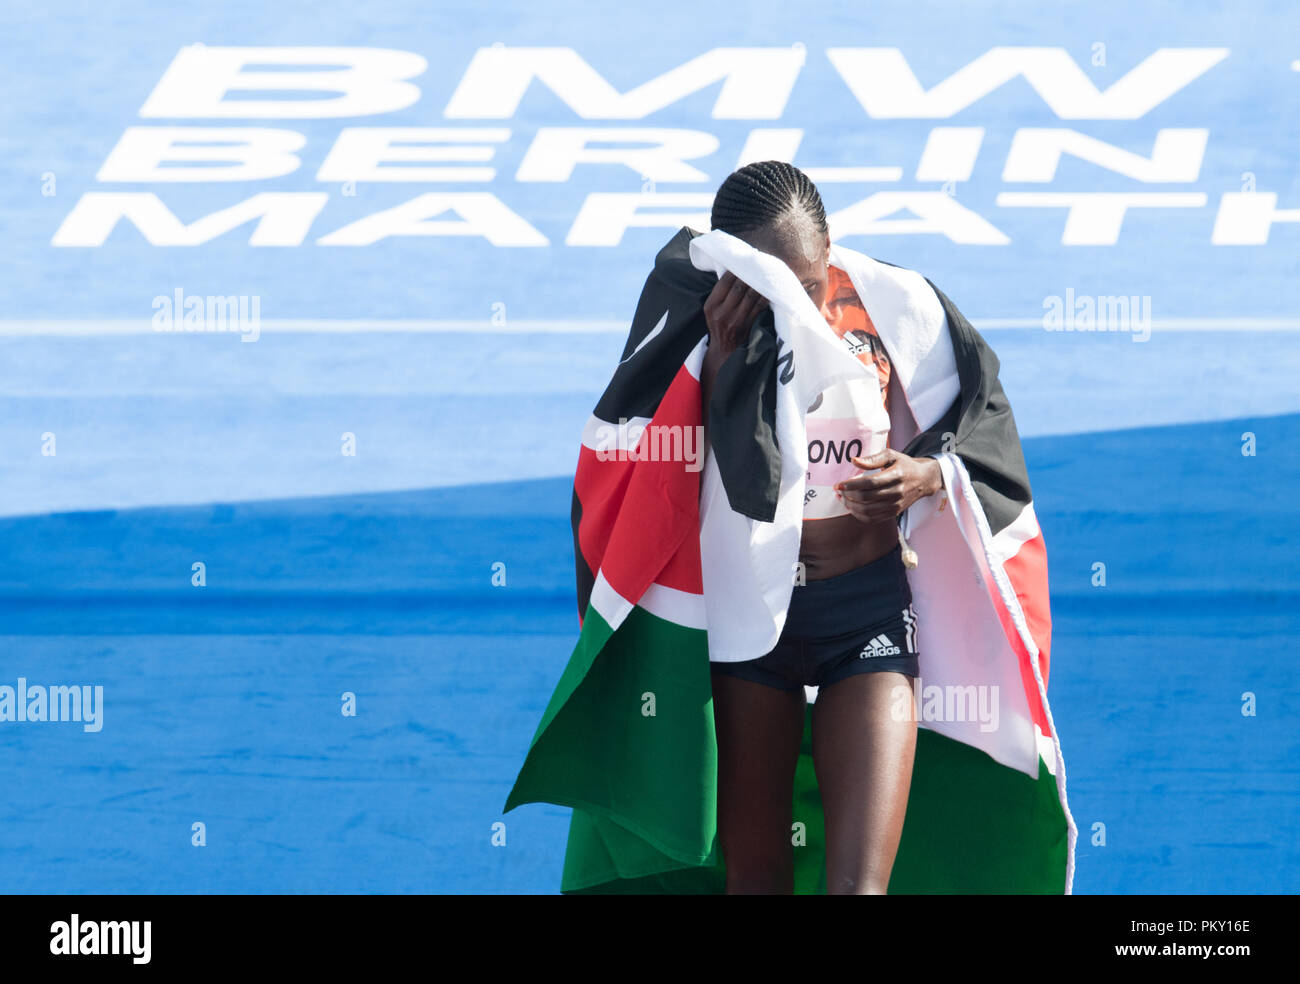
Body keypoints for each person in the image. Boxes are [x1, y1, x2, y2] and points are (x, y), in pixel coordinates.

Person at [699, 161, 945, 894]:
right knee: (756, 880)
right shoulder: (696, 325)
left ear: (829, 249)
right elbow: (653, 475)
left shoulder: (897, 308)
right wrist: (722, 365)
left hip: (864, 609)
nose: (797, 309)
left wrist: (923, 476)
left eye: (807, 286)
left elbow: (976, 428)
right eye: (773, 290)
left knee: (860, 889)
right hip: (750, 625)